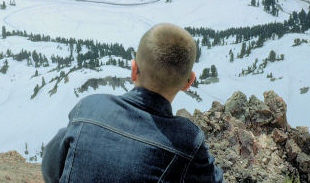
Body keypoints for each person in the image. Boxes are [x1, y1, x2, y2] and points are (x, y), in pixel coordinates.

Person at [41, 23, 223, 183]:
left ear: (133, 69)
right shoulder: (187, 141)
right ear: (188, 82)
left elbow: (50, 165)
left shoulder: (88, 108)